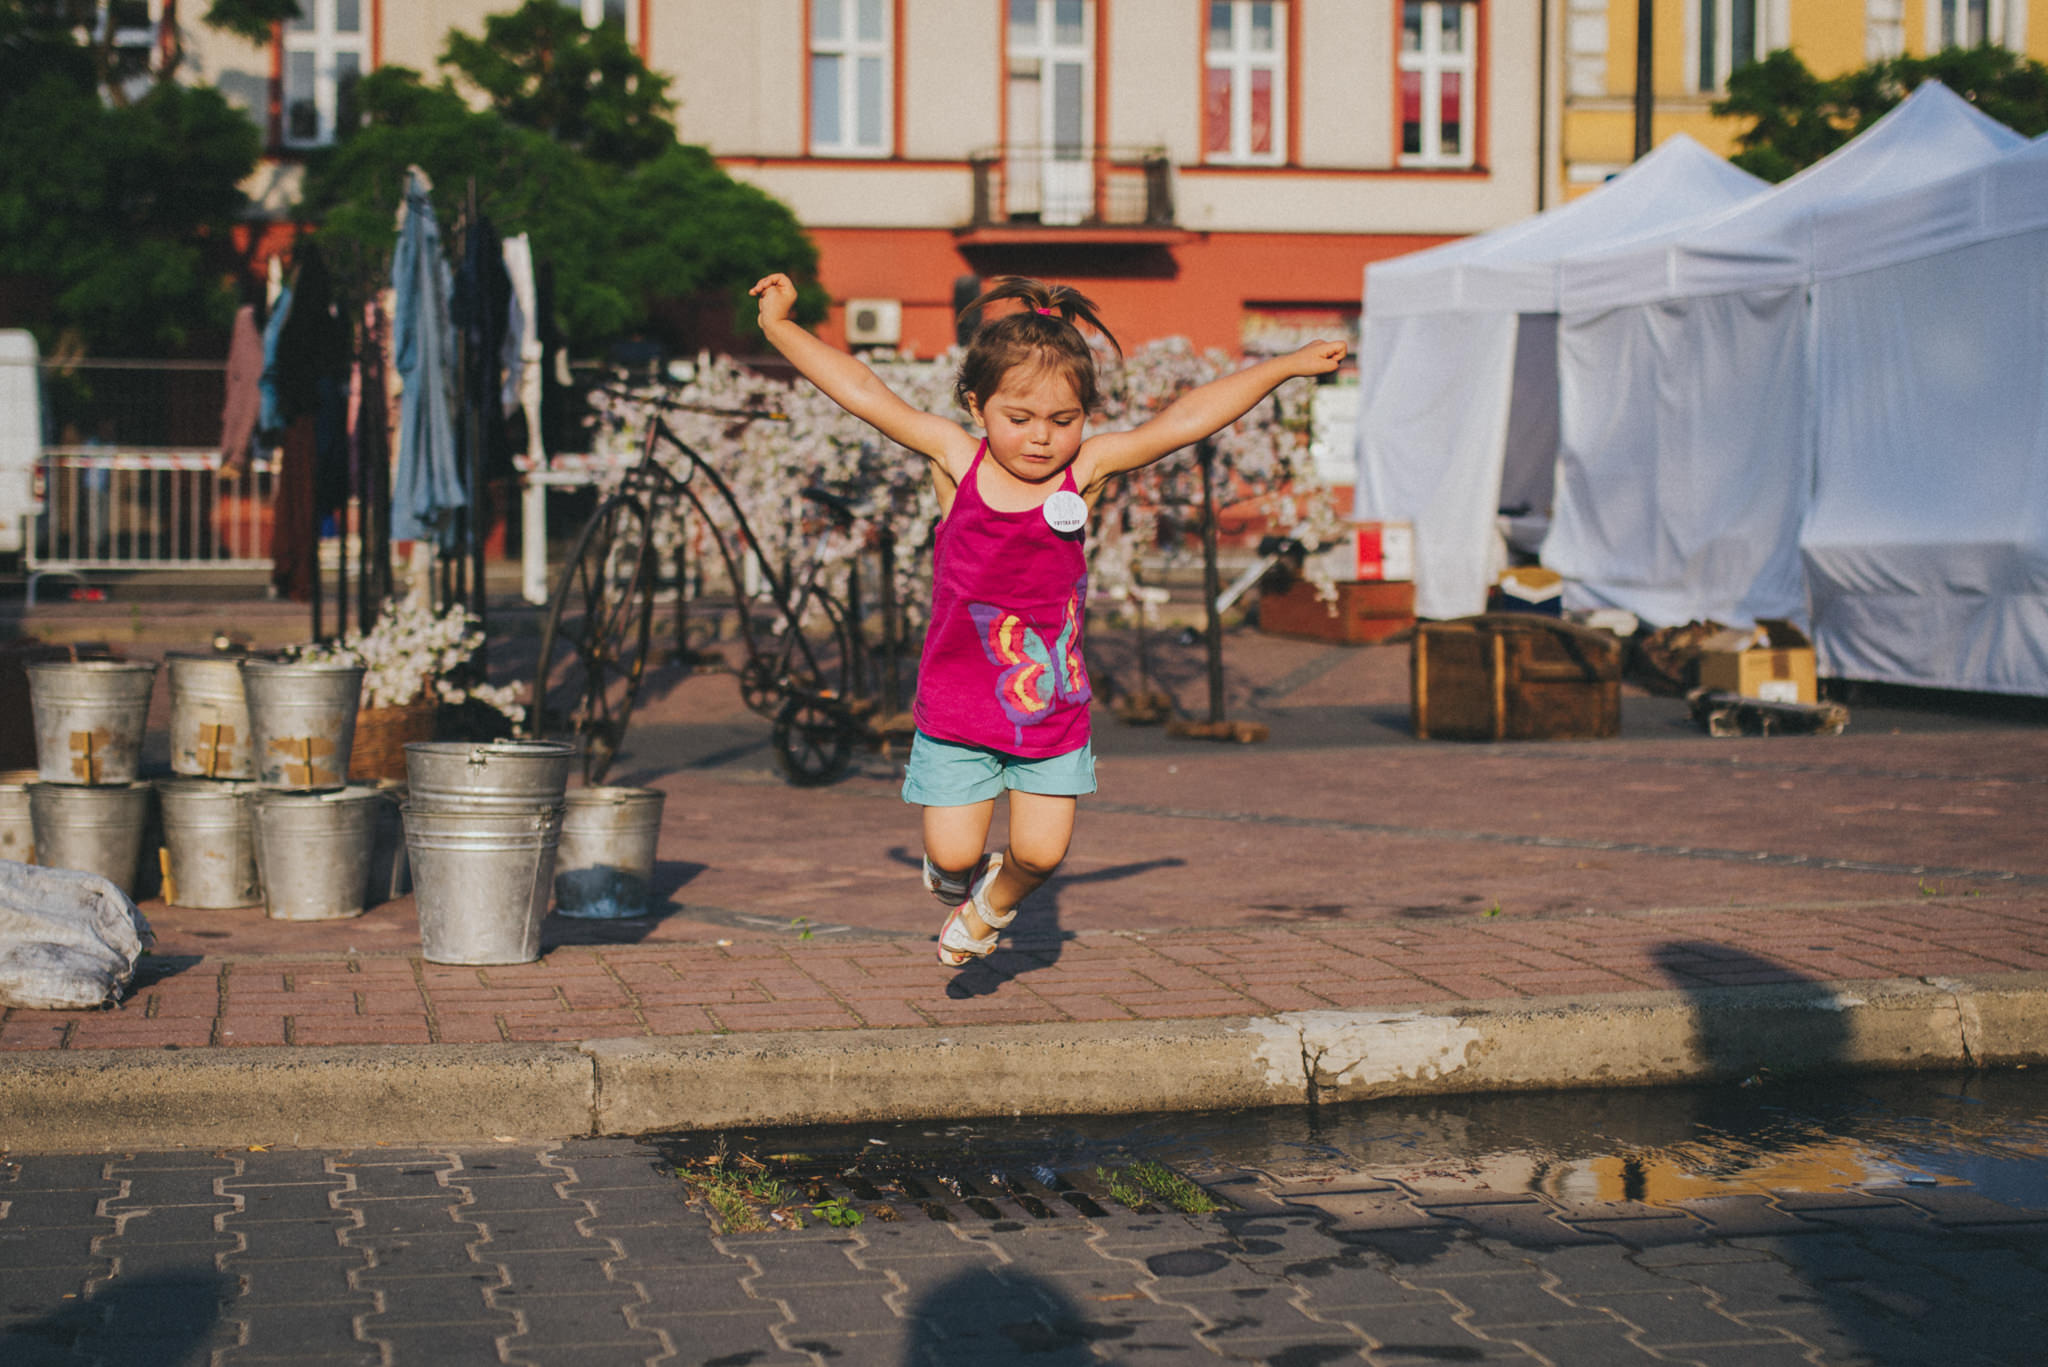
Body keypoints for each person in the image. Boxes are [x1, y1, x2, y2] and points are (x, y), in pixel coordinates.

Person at [749, 272, 1346, 966]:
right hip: (959, 707)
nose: (1041, 439)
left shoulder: (1085, 471)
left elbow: (1183, 421)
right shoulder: (956, 461)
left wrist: (1286, 364)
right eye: (1020, 418)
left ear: (1086, 415)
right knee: (952, 853)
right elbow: (864, 391)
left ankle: (993, 906)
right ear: (978, 404)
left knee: (1040, 851)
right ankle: (957, 880)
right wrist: (779, 328)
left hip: (1051, 707)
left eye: (1063, 421)